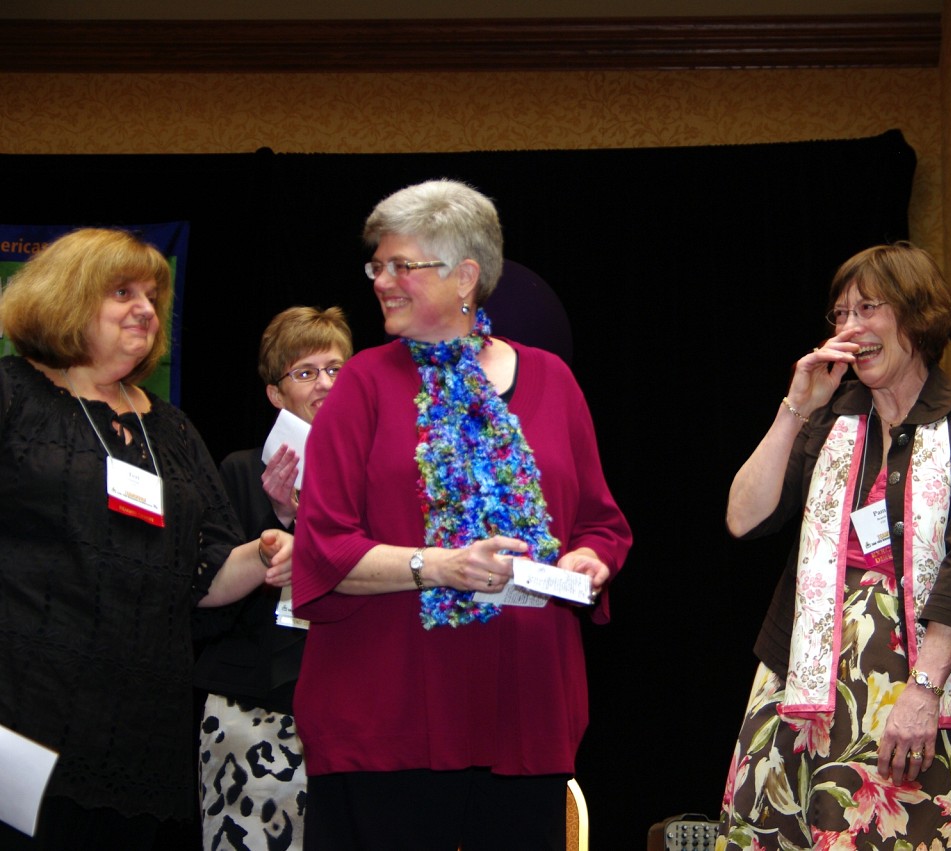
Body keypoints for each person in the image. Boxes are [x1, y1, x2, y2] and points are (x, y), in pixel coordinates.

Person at [291, 179, 632, 851]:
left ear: (466, 276)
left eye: (401, 266)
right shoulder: (360, 383)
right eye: (376, 265)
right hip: (387, 717)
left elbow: (601, 523)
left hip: (523, 712)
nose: (382, 281)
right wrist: (440, 565)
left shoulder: (553, 382)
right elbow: (324, 548)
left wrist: (589, 559)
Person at [0, 228, 292, 850]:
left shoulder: (171, 429)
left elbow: (206, 573)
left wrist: (264, 551)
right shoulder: (12, 395)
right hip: (24, 713)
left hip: (141, 729)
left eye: (154, 298)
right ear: (68, 299)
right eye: (123, 292)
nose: (146, 309)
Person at [718, 242, 951, 850]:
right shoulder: (830, 419)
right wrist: (796, 408)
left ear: (917, 315)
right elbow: (743, 519)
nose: (850, 328)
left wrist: (925, 690)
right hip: (798, 676)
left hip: (911, 681)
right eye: (840, 314)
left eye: (869, 308)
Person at [193, 306, 353, 851]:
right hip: (254, 710)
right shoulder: (241, 470)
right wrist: (281, 518)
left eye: (336, 369)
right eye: (305, 372)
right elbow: (208, 597)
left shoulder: (379, 474)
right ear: (275, 394)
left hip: (350, 705)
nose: (325, 384)